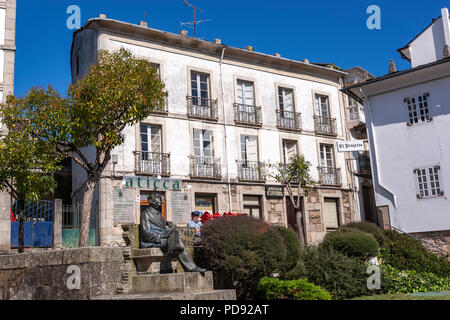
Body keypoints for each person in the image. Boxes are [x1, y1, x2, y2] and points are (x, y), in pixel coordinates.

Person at [140, 193, 206, 273]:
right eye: (157, 198)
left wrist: (167, 223)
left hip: (162, 239)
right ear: (150, 200)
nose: (160, 200)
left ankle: (176, 252)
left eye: (161, 198)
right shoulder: (145, 214)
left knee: (175, 234)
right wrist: (163, 236)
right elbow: (146, 234)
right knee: (176, 241)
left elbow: (157, 224)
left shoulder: (159, 214)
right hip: (152, 241)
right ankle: (191, 267)